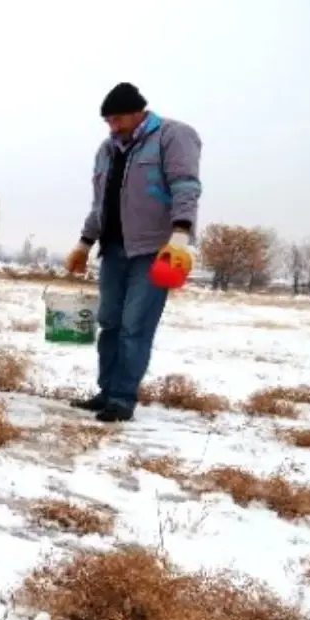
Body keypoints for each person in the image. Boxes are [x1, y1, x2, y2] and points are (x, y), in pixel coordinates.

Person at [65, 82, 201, 422]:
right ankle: (107, 391)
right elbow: (100, 203)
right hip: (113, 248)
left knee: (134, 326)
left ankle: (123, 398)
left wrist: (181, 234)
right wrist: (85, 242)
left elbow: (186, 185)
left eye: (117, 119)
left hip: (155, 249)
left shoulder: (173, 135)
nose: (112, 126)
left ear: (139, 111)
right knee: (109, 323)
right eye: (107, 121)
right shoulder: (107, 150)